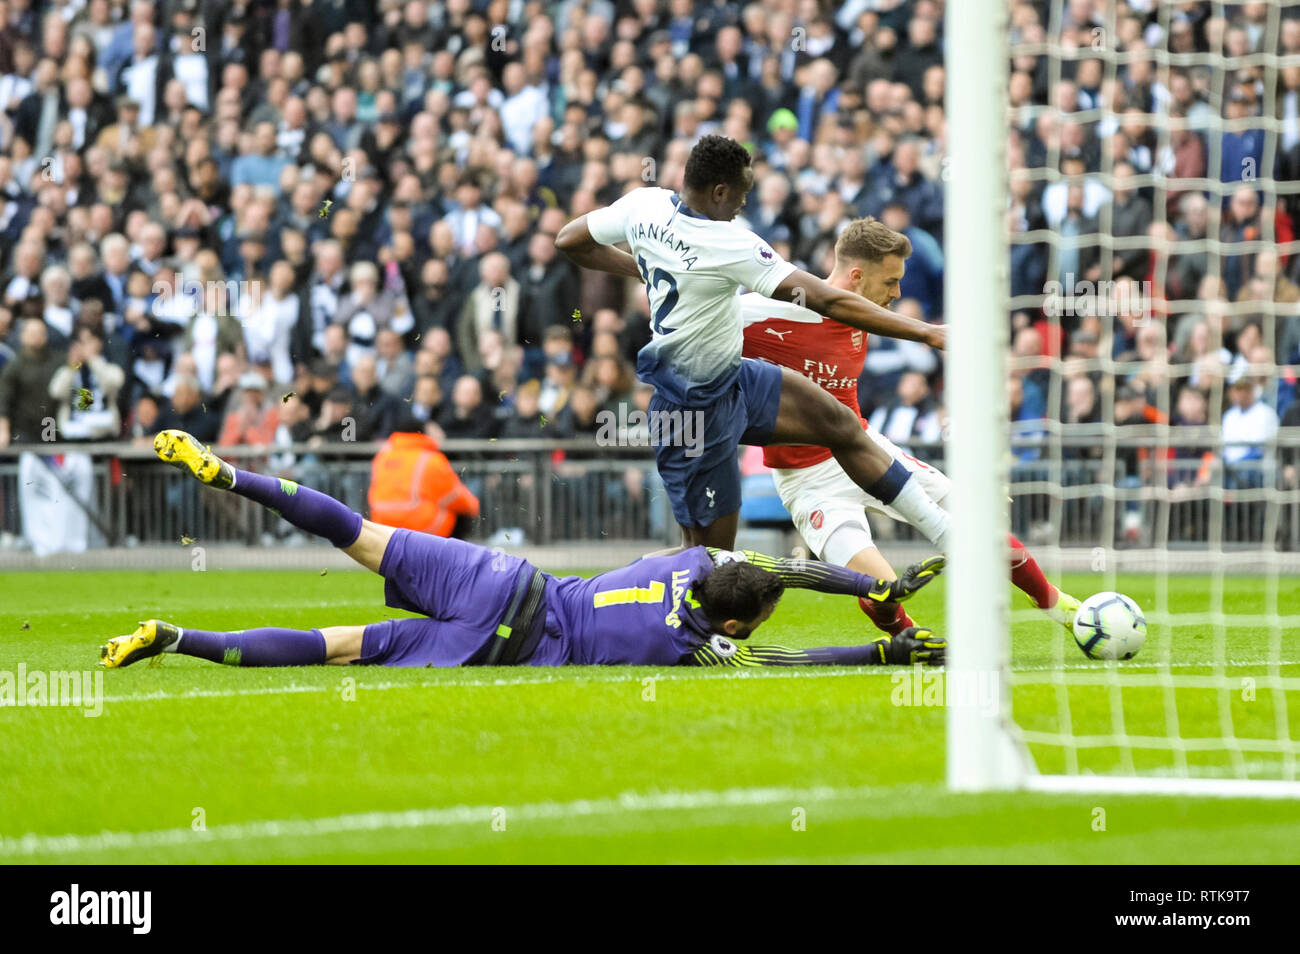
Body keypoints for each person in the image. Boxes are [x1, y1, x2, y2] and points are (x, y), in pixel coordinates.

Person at [100, 429, 946, 670]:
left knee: (356, 534)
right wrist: (881, 650)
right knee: (335, 649)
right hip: (506, 643)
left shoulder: (696, 562)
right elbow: (793, 658)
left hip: (504, 577)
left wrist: (875, 583)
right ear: (736, 624)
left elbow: (780, 567)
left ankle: (231, 473)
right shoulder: (704, 649)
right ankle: (178, 638)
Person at [555, 134, 950, 552]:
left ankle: (946, 534)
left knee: (842, 425)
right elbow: (829, 299)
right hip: (692, 406)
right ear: (720, 191)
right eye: (741, 197)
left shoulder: (643, 204)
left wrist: (645, 267)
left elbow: (569, 240)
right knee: (708, 557)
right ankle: (612, 595)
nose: (744, 206)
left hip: (736, 379)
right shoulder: (731, 243)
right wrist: (927, 331)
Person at [741, 217, 1081, 637]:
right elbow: (700, 328)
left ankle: (1063, 609)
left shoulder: (867, 316)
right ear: (857, 276)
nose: (898, 293)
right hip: (805, 480)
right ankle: (913, 642)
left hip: (865, 450)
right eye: (891, 281)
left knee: (978, 522)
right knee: (881, 586)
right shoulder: (768, 312)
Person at [368, 430, 480, 538]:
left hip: (382, 526)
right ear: (424, 432)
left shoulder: (382, 456)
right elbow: (454, 496)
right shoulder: (431, 459)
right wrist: (473, 506)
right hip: (420, 527)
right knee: (461, 514)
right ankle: (452, 555)